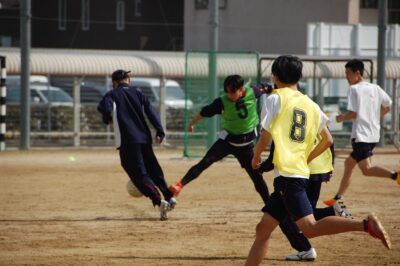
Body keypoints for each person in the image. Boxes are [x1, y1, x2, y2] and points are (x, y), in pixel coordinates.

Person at [245, 55, 391, 266]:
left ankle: (365, 225)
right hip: (296, 174)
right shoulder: (310, 104)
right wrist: (306, 157)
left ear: (275, 76)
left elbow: (265, 135)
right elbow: (328, 139)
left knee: (310, 227)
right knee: (263, 229)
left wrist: (256, 156)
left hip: (289, 177)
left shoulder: (275, 98)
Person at [169, 74, 271, 205]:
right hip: (228, 141)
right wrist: (191, 123)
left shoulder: (253, 91)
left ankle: (270, 207)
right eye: (227, 92)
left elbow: (269, 88)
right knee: (205, 161)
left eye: (233, 92)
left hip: (246, 146)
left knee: (257, 179)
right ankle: (179, 185)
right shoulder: (222, 101)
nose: (230, 95)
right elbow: (204, 112)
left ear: (241, 89)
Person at [97, 69, 176, 221]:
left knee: (137, 173)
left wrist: (107, 118)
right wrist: (160, 131)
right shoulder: (139, 94)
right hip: (145, 139)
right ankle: (169, 196)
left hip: (128, 141)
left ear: (114, 83)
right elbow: (151, 113)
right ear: (129, 80)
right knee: (153, 169)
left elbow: (104, 108)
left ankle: (159, 201)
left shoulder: (112, 94)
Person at [260, 133, 352, 261]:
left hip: (299, 170)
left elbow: (279, 142)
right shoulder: (315, 112)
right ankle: (334, 211)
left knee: (288, 214)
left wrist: (265, 165)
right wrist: (330, 165)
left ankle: (305, 249)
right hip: (318, 167)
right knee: (307, 212)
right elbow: (329, 140)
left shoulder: (286, 114)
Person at [324, 59, 399, 206]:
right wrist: (374, 118)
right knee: (349, 163)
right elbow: (388, 105)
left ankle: (396, 175)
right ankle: (337, 198)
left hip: (361, 136)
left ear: (357, 73)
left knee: (366, 169)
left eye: (348, 73)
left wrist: (340, 119)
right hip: (373, 135)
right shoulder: (375, 88)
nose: (346, 77)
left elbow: (352, 114)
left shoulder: (354, 89)